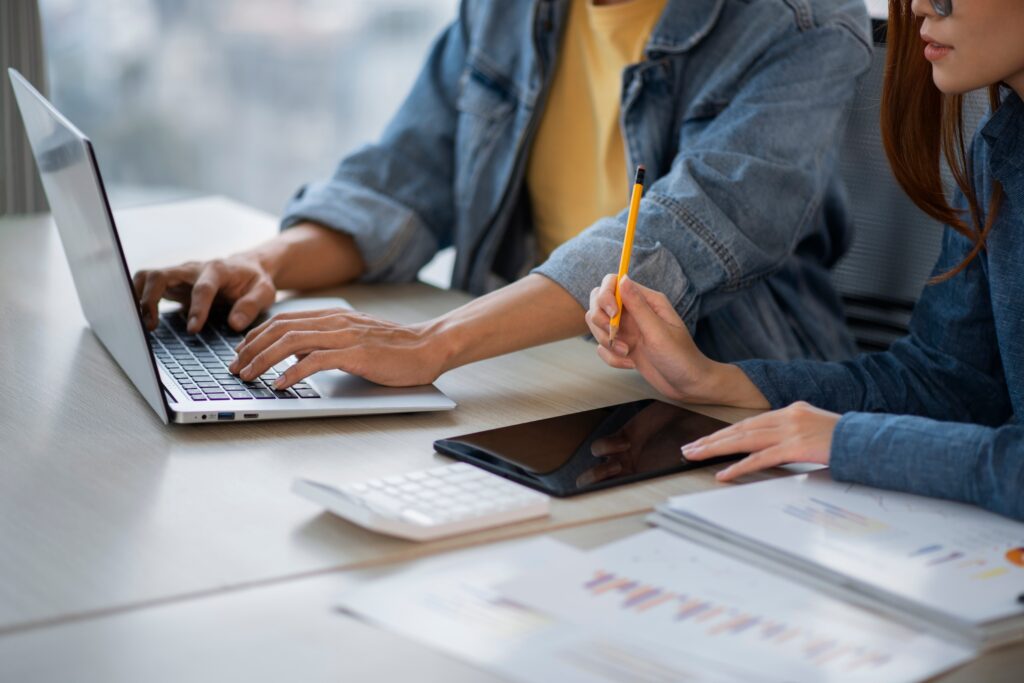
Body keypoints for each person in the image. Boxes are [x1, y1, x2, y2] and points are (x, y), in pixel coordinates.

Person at [133, 0, 871, 390]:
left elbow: (680, 236)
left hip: (703, 395)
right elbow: (408, 171)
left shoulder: (800, 24)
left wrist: (432, 342)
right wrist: (265, 263)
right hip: (521, 366)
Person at [586, 0, 1024, 520]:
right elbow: (948, 381)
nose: (920, 7)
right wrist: (713, 380)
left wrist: (850, 440)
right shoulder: (998, 151)